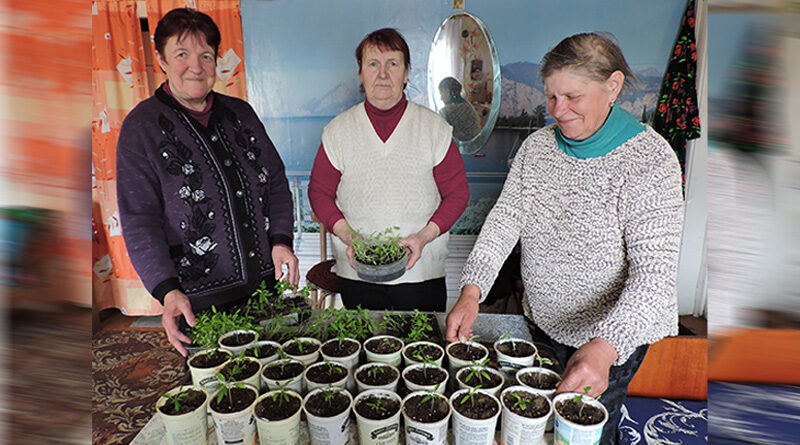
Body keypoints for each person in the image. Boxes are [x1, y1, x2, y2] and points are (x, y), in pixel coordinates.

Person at [445, 32, 684, 444]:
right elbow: (504, 222)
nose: (557, 111)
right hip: (541, 324)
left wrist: (605, 348)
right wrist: (472, 291)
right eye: (551, 97)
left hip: (610, 340)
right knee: (532, 425)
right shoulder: (536, 149)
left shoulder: (650, 160)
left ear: (612, 87)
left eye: (573, 97)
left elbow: (655, 278)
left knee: (586, 434)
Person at [117, 8, 298, 357]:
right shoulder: (141, 127)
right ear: (161, 60)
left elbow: (275, 181)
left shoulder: (241, 113)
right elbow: (139, 220)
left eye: (205, 55)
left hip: (265, 291)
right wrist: (167, 291)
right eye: (181, 54)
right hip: (198, 305)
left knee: (276, 376)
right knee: (215, 384)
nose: (196, 67)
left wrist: (281, 241)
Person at [308, 28, 469, 312]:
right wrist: (349, 237)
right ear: (361, 73)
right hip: (357, 271)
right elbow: (319, 192)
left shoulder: (434, 129)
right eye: (373, 64)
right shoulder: (338, 131)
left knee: (423, 339)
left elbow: (457, 194)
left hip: (422, 273)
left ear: (406, 73)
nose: (382, 74)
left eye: (393, 63)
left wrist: (422, 237)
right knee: (364, 337)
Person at [438, 77, 481, 141]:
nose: (441, 98)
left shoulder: (445, 112)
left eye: (441, 94)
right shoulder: (469, 106)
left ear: (447, 91)